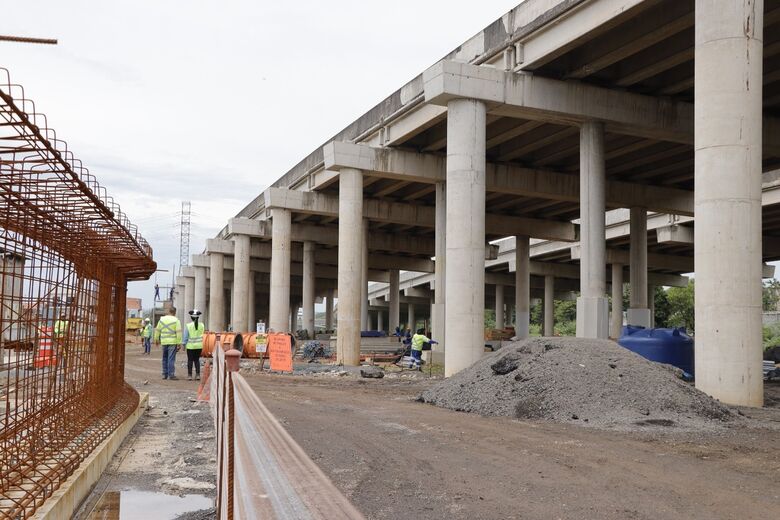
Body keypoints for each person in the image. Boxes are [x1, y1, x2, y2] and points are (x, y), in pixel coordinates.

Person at [155, 307, 182, 380]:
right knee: (171, 359)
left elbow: (157, 330)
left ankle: (164, 374)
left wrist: (156, 339)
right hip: (172, 342)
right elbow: (178, 332)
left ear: (168, 311)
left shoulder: (162, 319)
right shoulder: (176, 320)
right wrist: (179, 343)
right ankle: (171, 374)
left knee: (164, 358)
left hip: (164, 342)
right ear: (175, 312)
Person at [182, 309, 205, 380]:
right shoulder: (202, 325)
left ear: (191, 317)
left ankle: (189, 375)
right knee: (197, 360)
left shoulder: (188, 326)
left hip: (190, 346)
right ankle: (198, 375)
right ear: (198, 317)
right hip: (199, 346)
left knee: (190, 360)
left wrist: (184, 344)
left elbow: (185, 336)